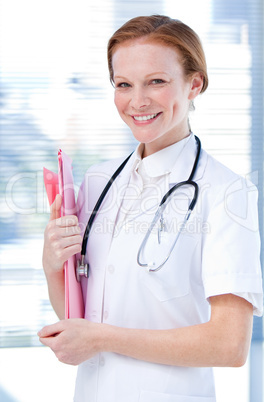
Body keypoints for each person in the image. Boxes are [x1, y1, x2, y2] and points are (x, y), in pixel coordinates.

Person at [38, 15, 263, 402]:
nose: (137, 101)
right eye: (124, 84)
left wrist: (102, 338)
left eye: (156, 81)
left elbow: (229, 345)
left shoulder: (228, 193)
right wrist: (51, 266)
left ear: (195, 84)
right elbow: (80, 319)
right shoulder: (97, 182)